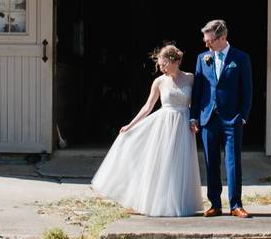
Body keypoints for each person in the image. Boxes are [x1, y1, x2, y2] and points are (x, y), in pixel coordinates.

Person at [91, 44, 204, 217]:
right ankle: (158, 202)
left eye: (163, 64)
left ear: (174, 61)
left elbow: (196, 104)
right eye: (159, 65)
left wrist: (194, 120)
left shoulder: (190, 78)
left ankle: (179, 203)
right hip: (164, 125)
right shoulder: (159, 82)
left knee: (180, 164)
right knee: (162, 163)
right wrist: (130, 125)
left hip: (183, 125)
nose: (161, 68)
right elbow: (147, 107)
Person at [190, 19, 253, 218]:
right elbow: (198, 91)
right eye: (205, 40)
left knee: (233, 162)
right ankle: (215, 204)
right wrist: (194, 118)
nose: (206, 44)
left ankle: (236, 205)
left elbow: (247, 89)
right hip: (208, 118)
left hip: (232, 118)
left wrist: (242, 115)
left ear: (222, 38)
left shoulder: (240, 58)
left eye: (209, 41)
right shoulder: (202, 58)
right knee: (211, 162)